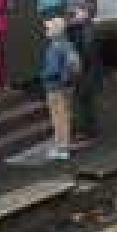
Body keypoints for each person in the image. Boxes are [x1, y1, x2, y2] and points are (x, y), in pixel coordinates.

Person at [41, 15, 80, 161]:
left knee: (58, 117)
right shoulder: (67, 44)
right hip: (68, 86)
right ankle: (63, 145)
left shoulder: (54, 48)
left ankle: (61, 147)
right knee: (65, 116)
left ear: (55, 31)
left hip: (55, 87)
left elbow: (52, 69)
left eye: (49, 28)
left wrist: (43, 75)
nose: (47, 29)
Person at [66, 0, 104, 143]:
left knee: (83, 100)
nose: (74, 14)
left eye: (77, 12)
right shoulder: (83, 27)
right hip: (88, 70)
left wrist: (80, 65)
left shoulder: (86, 29)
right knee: (85, 101)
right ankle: (89, 129)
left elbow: (88, 51)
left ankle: (86, 130)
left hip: (86, 70)